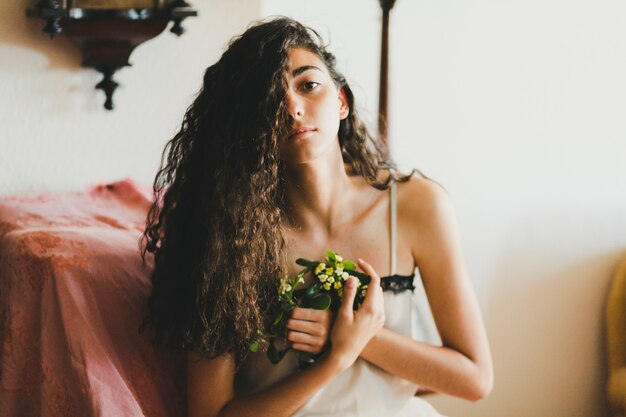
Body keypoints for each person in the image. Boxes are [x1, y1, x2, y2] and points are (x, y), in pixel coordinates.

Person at [141, 17, 493, 417]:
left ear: (341, 101)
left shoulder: (416, 207)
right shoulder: (225, 234)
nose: (292, 108)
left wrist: (356, 337)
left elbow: (474, 379)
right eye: (268, 98)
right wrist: (335, 360)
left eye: (308, 85)